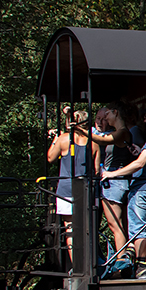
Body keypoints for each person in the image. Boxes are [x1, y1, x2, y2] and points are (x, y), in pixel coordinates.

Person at [102, 104, 146, 279]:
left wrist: (112, 174)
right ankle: (130, 254)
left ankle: (140, 267)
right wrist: (140, 151)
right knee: (141, 226)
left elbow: (139, 163)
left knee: (138, 229)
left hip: (144, 188)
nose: (144, 121)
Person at [46, 109, 99, 263]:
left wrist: (55, 139)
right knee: (86, 228)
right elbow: (96, 170)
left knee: (70, 228)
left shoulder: (63, 139)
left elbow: (50, 158)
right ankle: (89, 262)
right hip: (84, 189)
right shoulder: (94, 143)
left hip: (65, 189)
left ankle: (76, 264)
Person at [89, 103, 138, 263]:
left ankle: (121, 260)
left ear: (115, 113)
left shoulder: (122, 132)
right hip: (114, 181)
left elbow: (102, 140)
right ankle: (122, 257)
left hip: (115, 182)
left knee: (115, 224)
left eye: (107, 115)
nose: (105, 119)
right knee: (116, 223)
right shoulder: (119, 132)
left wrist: (81, 132)